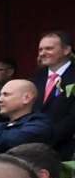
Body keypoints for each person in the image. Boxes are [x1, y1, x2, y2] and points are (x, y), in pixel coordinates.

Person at [31, 28, 75, 157]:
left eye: (49, 48)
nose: (43, 53)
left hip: (67, 151)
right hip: (36, 150)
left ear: (67, 50)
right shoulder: (36, 80)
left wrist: (45, 141)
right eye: (40, 49)